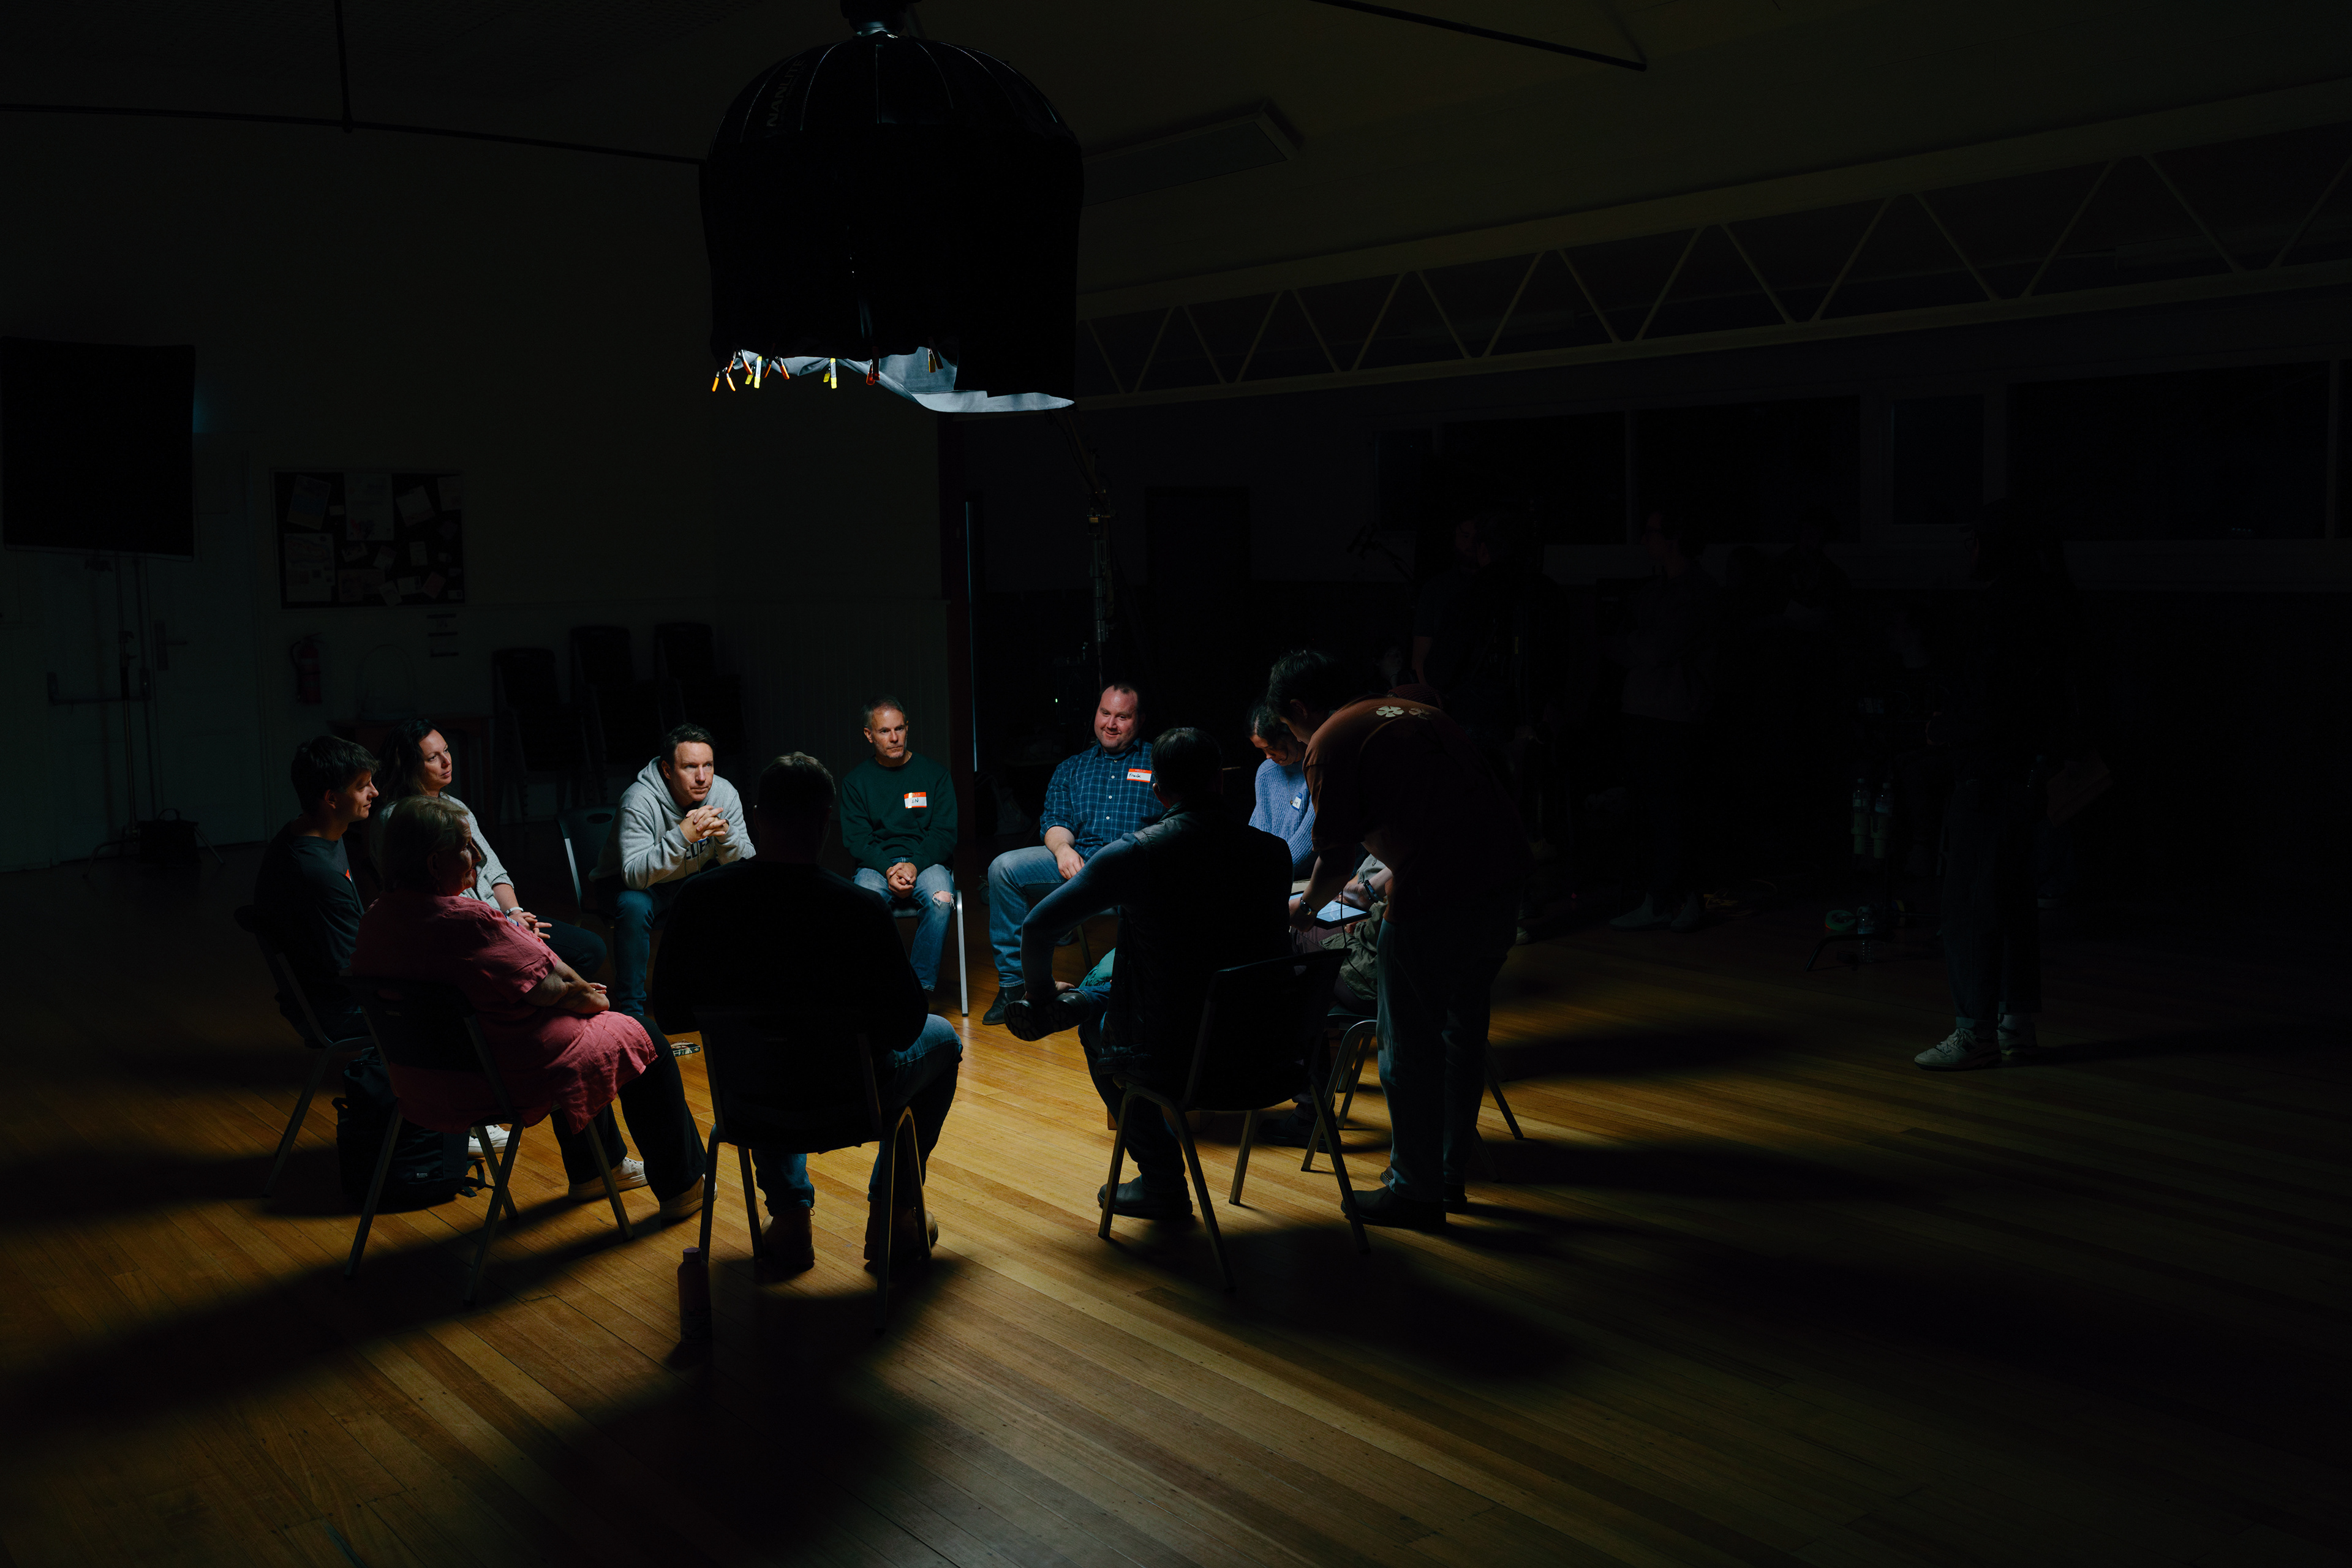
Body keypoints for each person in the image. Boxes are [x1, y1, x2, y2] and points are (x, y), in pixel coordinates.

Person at [652, 753, 963, 1271]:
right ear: (825, 821)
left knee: (764, 1055)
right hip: (852, 1101)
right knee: (945, 1039)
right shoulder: (860, 909)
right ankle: (895, 1215)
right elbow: (907, 1025)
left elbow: (669, 1013)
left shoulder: (700, 900)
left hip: (749, 1102)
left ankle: (790, 1220)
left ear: (757, 818)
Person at [1270, 649, 1531, 1227]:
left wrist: (1305, 910)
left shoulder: (1330, 740)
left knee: (1408, 1047)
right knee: (1461, 1035)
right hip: (1505, 880)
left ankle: (1414, 1191)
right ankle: (1447, 1176)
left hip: (1434, 893)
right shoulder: (1418, 713)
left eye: (1289, 727)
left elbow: (1336, 858)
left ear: (1300, 709)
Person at [349, 796, 705, 1216]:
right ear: (433, 863)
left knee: (579, 1029)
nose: (477, 857)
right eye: (465, 847)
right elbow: (569, 990)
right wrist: (587, 996)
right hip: (502, 1080)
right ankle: (683, 1188)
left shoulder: (376, 919)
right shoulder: (470, 922)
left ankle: (597, 1169)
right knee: (645, 1037)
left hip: (420, 1083)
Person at [1003, 728, 1290, 1219]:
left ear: (1158, 791)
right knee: (1142, 977)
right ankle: (1084, 1001)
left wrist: (1041, 990)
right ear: (1221, 782)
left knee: (1103, 1024)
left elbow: (1038, 927)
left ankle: (1163, 1182)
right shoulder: (1273, 852)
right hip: (1268, 1049)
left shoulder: (1137, 853)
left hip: (1173, 1054)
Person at [1913, 503, 2084, 1072]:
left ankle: (1975, 1029)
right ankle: (2016, 1023)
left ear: (1994, 548)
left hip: (1988, 772)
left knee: (1969, 900)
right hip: (2025, 773)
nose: (1968, 553)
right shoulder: (2051, 603)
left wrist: (1945, 729)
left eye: (1974, 543)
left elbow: (1991, 705)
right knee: (2011, 897)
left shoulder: (2000, 611)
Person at [369, 718, 607, 982]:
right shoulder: (397, 819)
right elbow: (433, 899)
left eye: (446, 750)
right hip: (463, 928)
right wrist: (510, 928)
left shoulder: (455, 806)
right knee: (571, 960)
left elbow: (492, 869)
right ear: (409, 765)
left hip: (498, 917)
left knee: (590, 948)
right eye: (433, 758)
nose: (447, 762)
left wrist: (515, 914)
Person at [981, 683, 1161, 1025]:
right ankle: (1014, 987)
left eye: (1122, 717)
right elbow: (1056, 821)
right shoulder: (1071, 768)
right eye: (1105, 713)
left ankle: (1126, 991)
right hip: (1080, 866)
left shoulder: (1159, 762)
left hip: (1134, 869)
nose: (1110, 724)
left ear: (1140, 720)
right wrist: (1063, 849)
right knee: (1004, 868)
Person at [589, 724, 752, 1047]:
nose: (702, 777)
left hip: (684, 880)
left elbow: (748, 865)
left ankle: (719, 998)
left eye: (708, 765)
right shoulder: (639, 799)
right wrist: (683, 836)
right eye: (690, 767)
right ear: (667, 769)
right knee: (634, 905)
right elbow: (634, 875)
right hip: (630, 884)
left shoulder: (724, 793)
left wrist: (726, 836)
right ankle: (633, 1014)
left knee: (731, 893)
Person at [1607, 508, 1722, 934]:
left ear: (1673, 539)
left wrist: (1636, 644)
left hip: (1674, 716)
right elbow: (1622, 642)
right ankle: (1667, 897)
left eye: (1651, 532)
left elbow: (1655, 647)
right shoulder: (1655, 590)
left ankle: (1673, 897)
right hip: (1645, 711)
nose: (1644, 540)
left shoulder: (1698, 592)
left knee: (1673, 811)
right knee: (1654, 812)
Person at [251, 735, 380, 1043]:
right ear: (331, 799)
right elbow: (352, 968)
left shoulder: (314, 831)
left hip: (336, 994)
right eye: (362, 786)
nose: (374, 792)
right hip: (339, 1010)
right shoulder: (316, 872)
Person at [838, 696, 959, 1000]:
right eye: (884, 731)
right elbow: (857, 839)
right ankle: (882, 990)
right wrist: (889, 869)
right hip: (877, 865)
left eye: (900, 729)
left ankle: (915, 993)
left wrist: (914, 865)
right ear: (869, 735)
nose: (894, 738)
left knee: (942, 900)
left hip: (926, 862)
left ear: (907, 728)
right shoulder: (856, 782)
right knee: (863, 906)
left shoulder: (935, 775)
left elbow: (944, 834)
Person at [1246, 704, 1318, 881]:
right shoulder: (1266, 772)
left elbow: (1309, 841)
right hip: (1273, 874)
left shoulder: (1317, 768)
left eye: (1271, 747)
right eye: (1262, 750)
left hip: (1309, 877)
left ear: (1291, 734)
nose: (1267, 756)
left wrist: (1266, 872)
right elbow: (1258, 834)